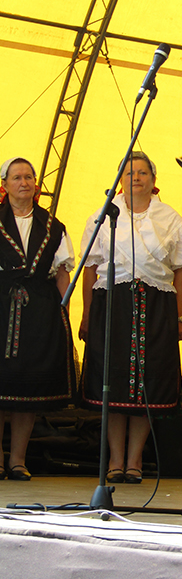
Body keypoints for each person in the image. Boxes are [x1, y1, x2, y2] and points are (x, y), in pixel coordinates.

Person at [79, 151, 182, 483]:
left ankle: (135, 461)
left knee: (148, 385)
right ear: (120, 179)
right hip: (112, 303)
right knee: (113, 384)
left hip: (156, 306)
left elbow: (181, 270)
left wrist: (179, 314)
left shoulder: (170, 218)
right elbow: (90, 268)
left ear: (153, 180)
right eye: (129, 173)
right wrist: (87, 313)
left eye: (143, 172)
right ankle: (115, 461)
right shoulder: (103, 215)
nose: (136, 178)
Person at [0, 157, 76, 481]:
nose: (24, 182)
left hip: (40, 312)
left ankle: (18, 460)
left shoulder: (53, 226)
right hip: (2, 309)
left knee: (28, 390)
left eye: (29, 177)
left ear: (36, 184)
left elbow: (62, 272)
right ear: (5, 185)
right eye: (17, 177)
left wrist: (64, 313)